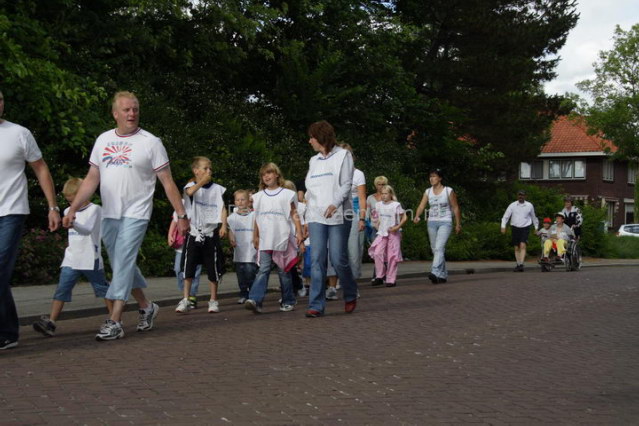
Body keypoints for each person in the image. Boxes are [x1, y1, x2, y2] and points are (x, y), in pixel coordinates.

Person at [63, 91, 189, 341]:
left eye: (135, 109)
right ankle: (146, 306)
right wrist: (74, 208)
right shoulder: (103, 140)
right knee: (122, 262)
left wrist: (181, 214)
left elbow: (167, 182)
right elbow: (92, 178)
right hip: (110, 213)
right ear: (115, 114)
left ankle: (115, 320)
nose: (132, 114)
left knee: (123, 260)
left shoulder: (151, 142)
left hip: (137, 213)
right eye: (127, 110)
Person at [0, 89, 61, 350]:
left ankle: (6, 332)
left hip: (11, 211)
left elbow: (40, 167)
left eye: (0, 99)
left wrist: (53, 207)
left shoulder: (19, 133)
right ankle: (8, 332)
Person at [32, 178, 112, 336]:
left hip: (90, 257)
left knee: (102, 289)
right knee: (62, 288)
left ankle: (114, 319)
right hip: (72, 257)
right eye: (69, 201)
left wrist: (73, 223)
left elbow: (88, 229)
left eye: (74, 200)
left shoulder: (95, 209)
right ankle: (51, 322)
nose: (72, 204)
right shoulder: (67, 211)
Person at [304, 120, 358, 317]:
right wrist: (306, 215)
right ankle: (316, 305)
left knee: (337, 258)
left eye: (311, 137)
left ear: (320, 137)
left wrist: (334, 204)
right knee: (317, 258)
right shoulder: (314, 160)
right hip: (316, 215)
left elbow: (346, 184)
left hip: (339, 214)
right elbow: (310, 190)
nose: (309, 141)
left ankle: (350, 293)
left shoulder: (343, 156)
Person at [245, 163, 302, 313]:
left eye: (269, 173)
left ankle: (288, 300)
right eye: (264, 174)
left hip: (282, 237)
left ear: (277, 174)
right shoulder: (258, 197)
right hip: (265, 239)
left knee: (284, 271)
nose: (267, 176)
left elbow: (294, 214)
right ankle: (255, 300)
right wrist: (255, 235)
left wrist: (299, 232)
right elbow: (257, 218)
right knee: (263, 269)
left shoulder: (286, 194)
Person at [177, 156, 227, 314]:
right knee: (189, 267)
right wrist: (201, 182)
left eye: (210, 168)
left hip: (210, 232)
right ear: (196, 171)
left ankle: (213, 300)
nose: (209, 171)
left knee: (213, 268)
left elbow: (222, 207)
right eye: (205, 168)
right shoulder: (191, 185)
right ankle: (186, 298)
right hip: (194, 232)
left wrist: (223, 225)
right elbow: (190, 192)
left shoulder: (218, 188)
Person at [413, 169, 462, 284]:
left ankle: (435, 272)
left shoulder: (448, 191)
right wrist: (417, 215)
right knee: (435, 249)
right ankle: (443, 275)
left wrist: (458, 224)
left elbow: (455, 207)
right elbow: (421, 205)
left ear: (440, 178)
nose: (431, 178)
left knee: (439, 248)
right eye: (430, 176)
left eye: (434, 176)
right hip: (432, 222)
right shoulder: (428, 191)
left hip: (445, 222)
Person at [368, 185, 407, 287]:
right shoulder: (378, 205)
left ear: (390, 194)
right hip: (382, 233)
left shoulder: (396, 205)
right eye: (382, 193)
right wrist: (377, 225)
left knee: (392, 256)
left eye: (386, 193)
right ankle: (380, 275)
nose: (384, 196)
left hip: (393, 233)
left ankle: (391, 279)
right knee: (377, 252)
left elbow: (404, 217)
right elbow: (376, 217)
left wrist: (397, 227)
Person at [227, 189, 258, 304]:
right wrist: (231, 239)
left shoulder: (254, 215)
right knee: (240, 275)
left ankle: (253, 294)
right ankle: (243, 293)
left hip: (250, 250)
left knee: (250, 272)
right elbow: (231, 230)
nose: (240, 202)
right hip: (239, 251)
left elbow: (258, 229)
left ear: (248, 201)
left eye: (242, 199)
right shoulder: (232, 217)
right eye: (237, 200)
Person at [168, 207, 202, 309]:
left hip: (196, 245)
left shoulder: (199, 205)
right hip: (181, 247)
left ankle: (192, 296)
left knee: (195, 271)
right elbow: (174, 221)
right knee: (178, 269)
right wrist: (170, 235)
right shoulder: (181, 205)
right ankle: (185, 293)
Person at [500, 189, 539, 272]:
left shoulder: (529, 205)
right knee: (516, 247)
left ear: (525, 196)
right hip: (515, 227)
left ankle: (521, 264)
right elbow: (505, 217)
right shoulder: (512, 205)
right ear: (517, 196)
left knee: (522, 245)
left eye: (522, 195)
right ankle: (518, 264)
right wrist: (503, 226)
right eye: (519, 195)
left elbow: (534, 217)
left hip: (525, 227)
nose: (521, 196)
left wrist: (536, 227)